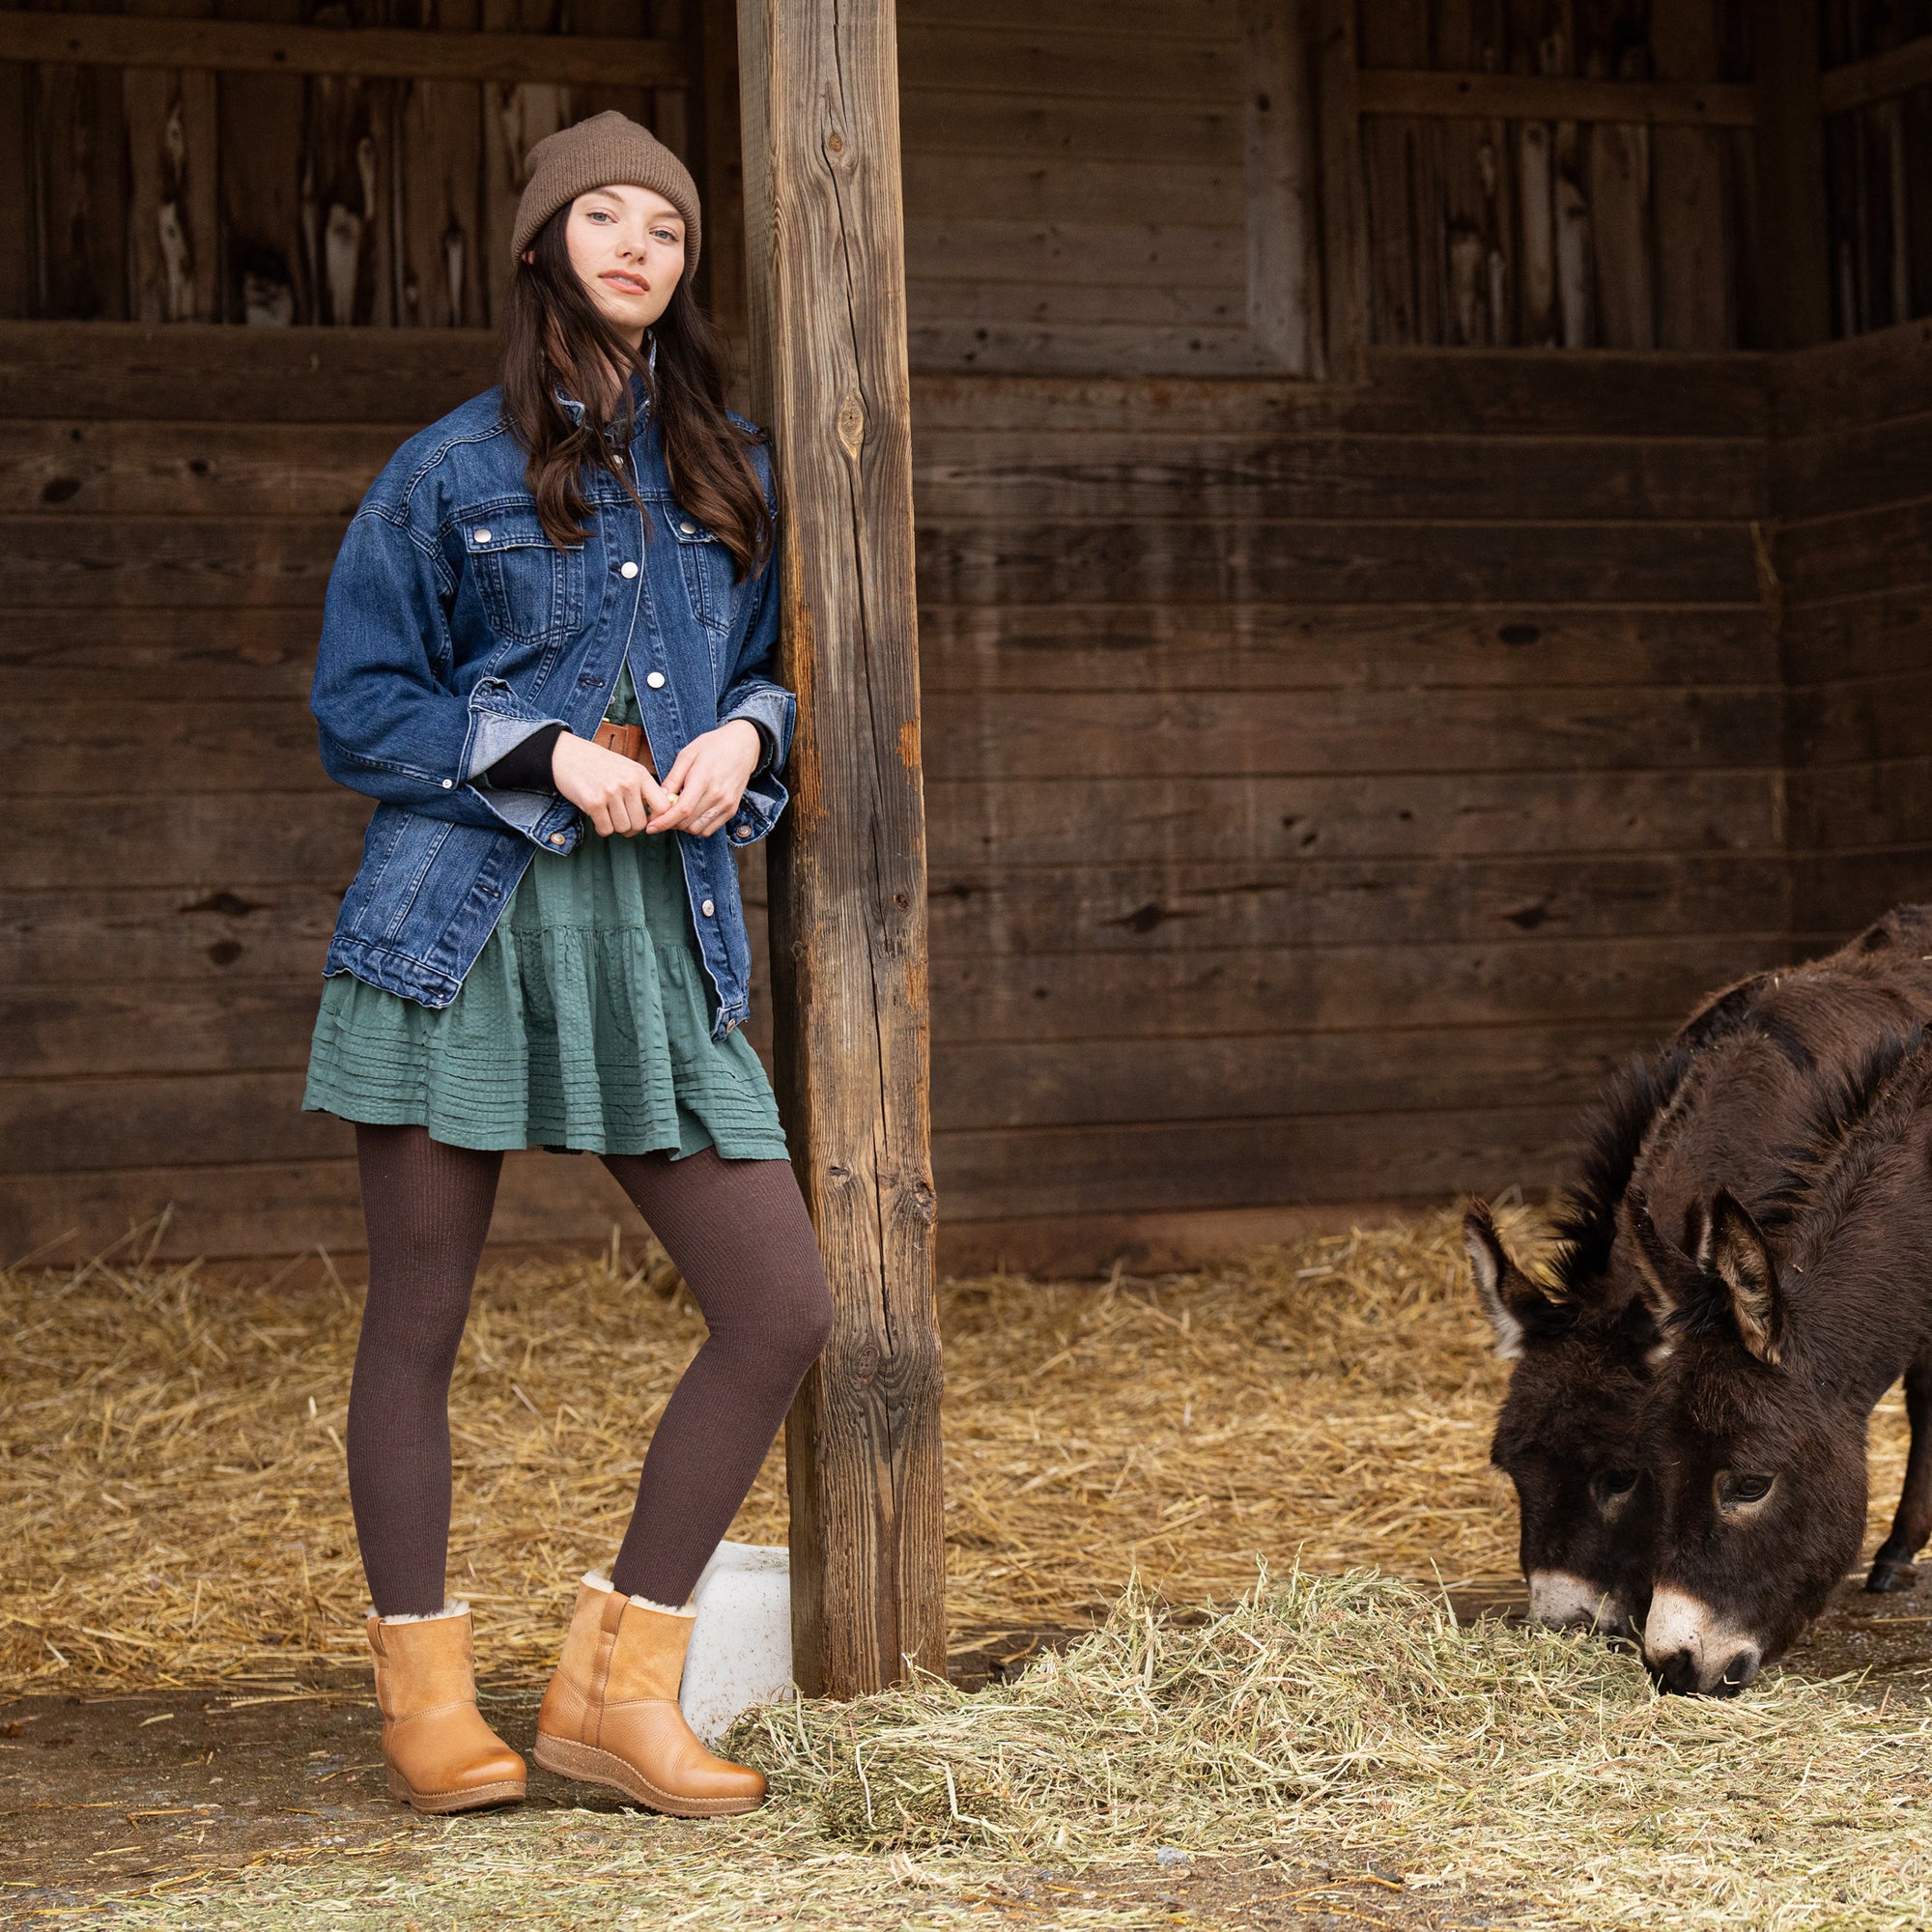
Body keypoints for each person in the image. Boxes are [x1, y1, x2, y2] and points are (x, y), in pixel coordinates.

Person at [303, 111, 833, 1821]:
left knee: (780, 1306)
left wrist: (752, 736)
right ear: (543, 246)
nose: (635, 246)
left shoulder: (723, 462)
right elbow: (361, 704)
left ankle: (618, 1692)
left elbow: (768, 668)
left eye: (664, 228)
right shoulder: (446, 470)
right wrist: (538, 750)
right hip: (460, 922)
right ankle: (427, 1696)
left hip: (653, 927)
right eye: (600, 218)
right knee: (422, 1316)